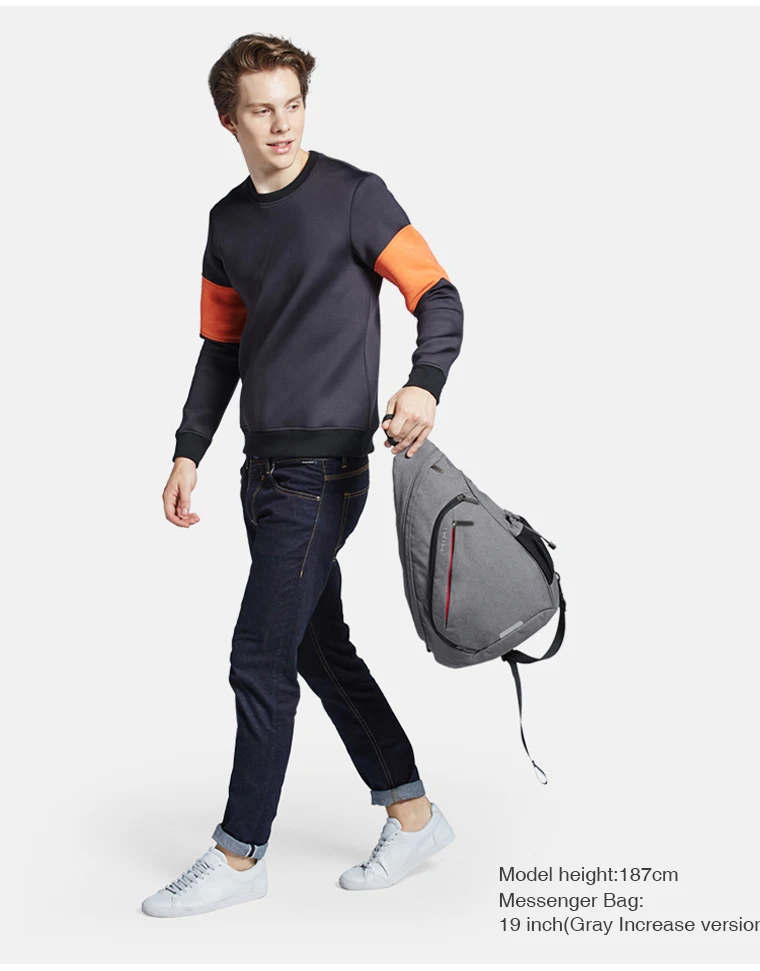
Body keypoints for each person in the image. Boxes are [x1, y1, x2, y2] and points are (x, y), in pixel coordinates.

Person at [143, 32, 464, 918]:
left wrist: (424, 381)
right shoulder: (227, 224)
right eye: (262, 110)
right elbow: (221, 348)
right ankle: (413, 813)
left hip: (324, 474)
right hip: (262, 471)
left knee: (259, 653)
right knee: (318, 647)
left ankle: (238, 854)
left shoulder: (356, 196)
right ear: (229, 121)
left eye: (293, 105)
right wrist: (188, 448)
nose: (281, 125)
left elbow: (438, 294)